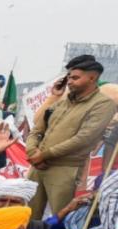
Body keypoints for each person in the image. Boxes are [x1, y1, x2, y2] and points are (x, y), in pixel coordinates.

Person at [26, 55, 117, 219]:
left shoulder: (103, 104)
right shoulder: (62, 102)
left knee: (61, 220)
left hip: (65, 169)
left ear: (92, 77)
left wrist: (44, 154)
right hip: (37, 166)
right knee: (27, 218)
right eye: (68, 77)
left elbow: (84, 138)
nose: (69, 81)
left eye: (75, 77)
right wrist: (32, 152)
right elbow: (37, 127)